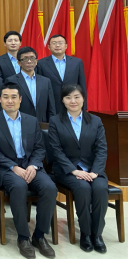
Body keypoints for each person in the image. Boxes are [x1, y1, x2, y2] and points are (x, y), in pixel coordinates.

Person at [0, 83, 57, 259]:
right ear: (0, 99)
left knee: (49, 188)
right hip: (5, 168)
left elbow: (39, 148)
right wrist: (13, 167)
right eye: (6, 97)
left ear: (20, 99)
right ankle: (23, 238)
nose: (10, 100)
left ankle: (39, 236)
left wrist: (33, 165)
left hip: (30, 165)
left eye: (14, 97)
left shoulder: (31, 121)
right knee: (19, 186)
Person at [48, 84, 108, 253]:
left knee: (100, 188)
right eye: (68, 97)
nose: (72, 101)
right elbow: (56, 150)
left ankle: (97, 234)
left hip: (93, 169)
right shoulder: (55, 121)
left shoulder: (95, 121)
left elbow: (101, 149)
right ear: (63, 100)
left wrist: (95, 172)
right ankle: (86, 233)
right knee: (83, 188)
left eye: (76, 97)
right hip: (67, 170)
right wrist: (73, 170)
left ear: (83, 99)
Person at [36, 35, 87, 111]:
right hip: (51, 105)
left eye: (60, 43)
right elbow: (40, 87)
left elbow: (82, 84)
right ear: (49, 47)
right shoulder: (41, 63)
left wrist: (84, 106)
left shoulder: (77, 62)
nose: (57, 45)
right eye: (54, 43)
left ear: (66, 46)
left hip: (73, 103)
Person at [6, 47, 56, 123]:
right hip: (21, 122)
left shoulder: (46, 81)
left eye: (32, 58)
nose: (29, 61)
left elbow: (51, 107)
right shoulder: (11, 81)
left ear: (36, 61)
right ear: (19, 63)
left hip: (42, 123)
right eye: (25, 59)